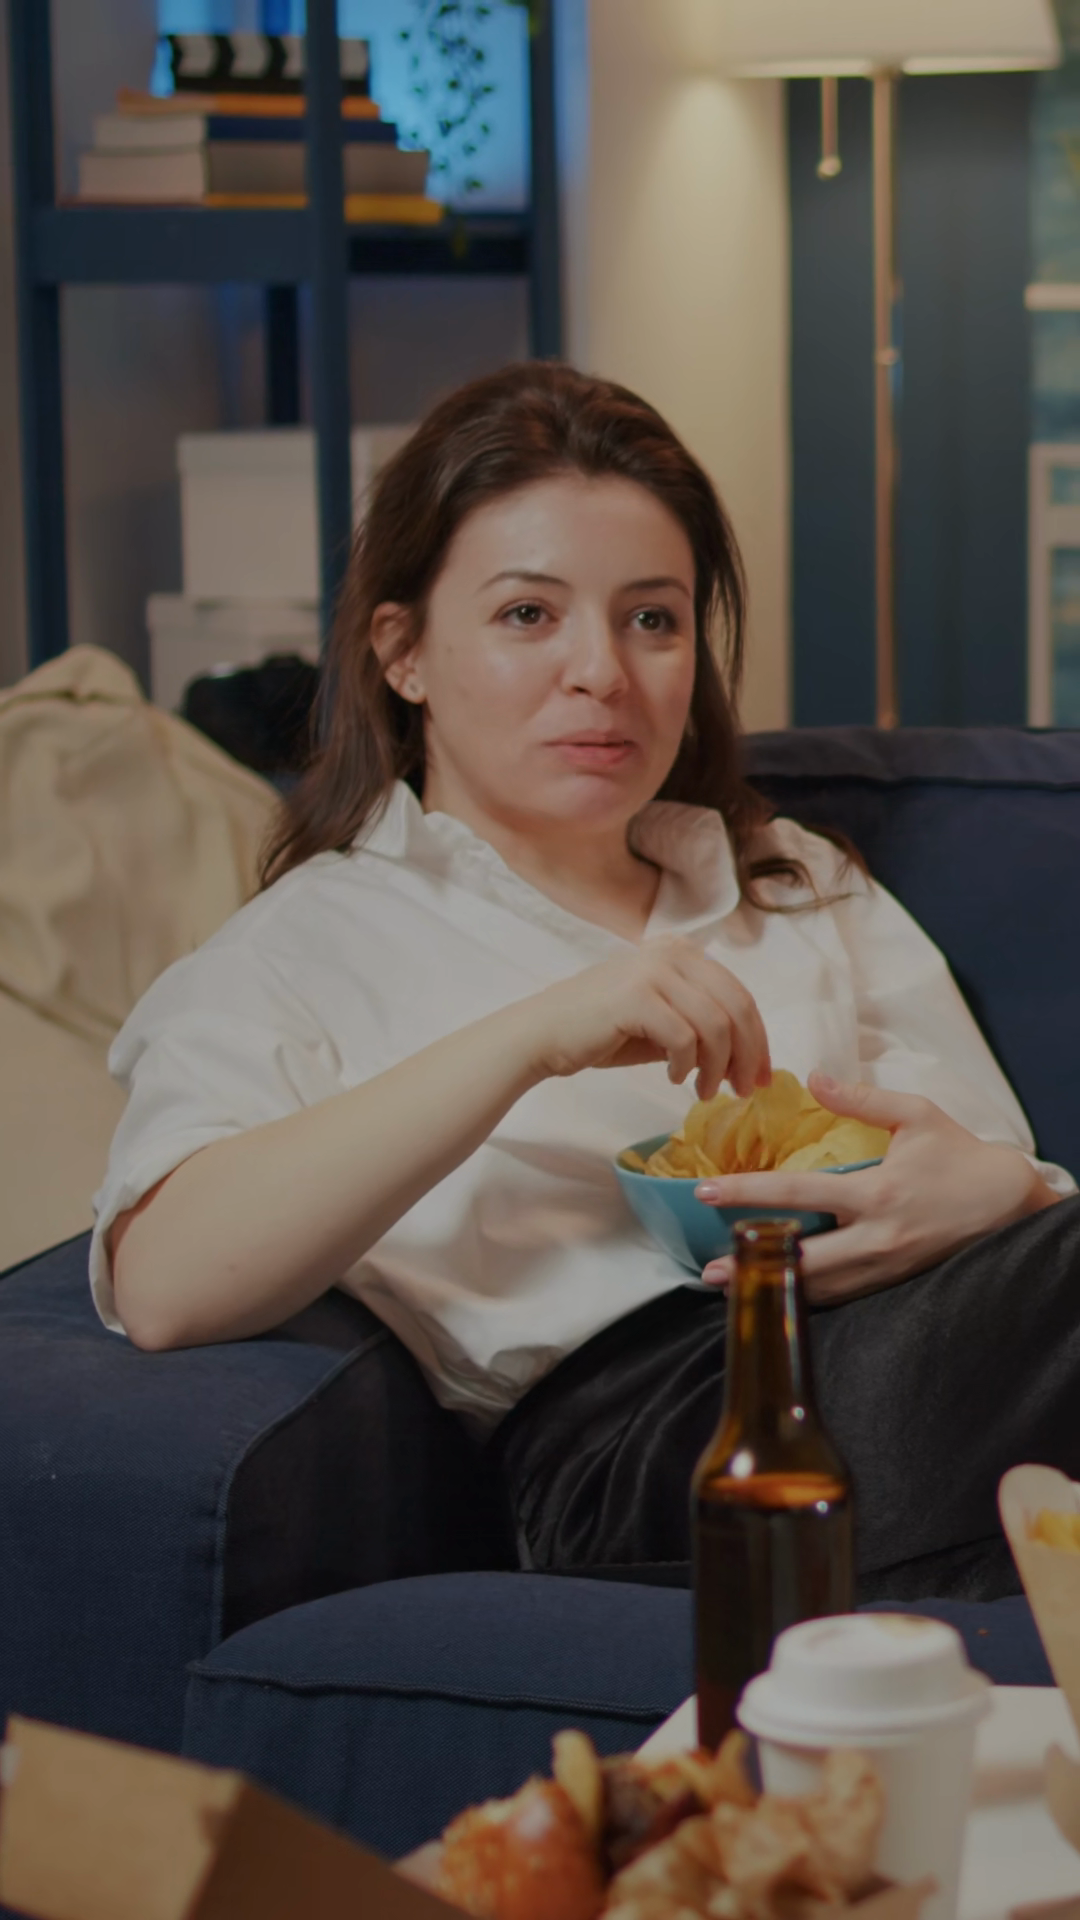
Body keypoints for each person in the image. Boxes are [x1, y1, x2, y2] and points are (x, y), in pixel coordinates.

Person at [95, 362, 1080, 1602]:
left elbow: (994, 1181)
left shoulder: (792, 877)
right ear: (403, 651)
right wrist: (533, 1038)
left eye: (652, 620)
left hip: (931, 1351)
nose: (602, 672)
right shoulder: (309, 940)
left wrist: (1003, 1187)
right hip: (642, 1438)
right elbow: (165, 1285)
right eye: (528, 615)